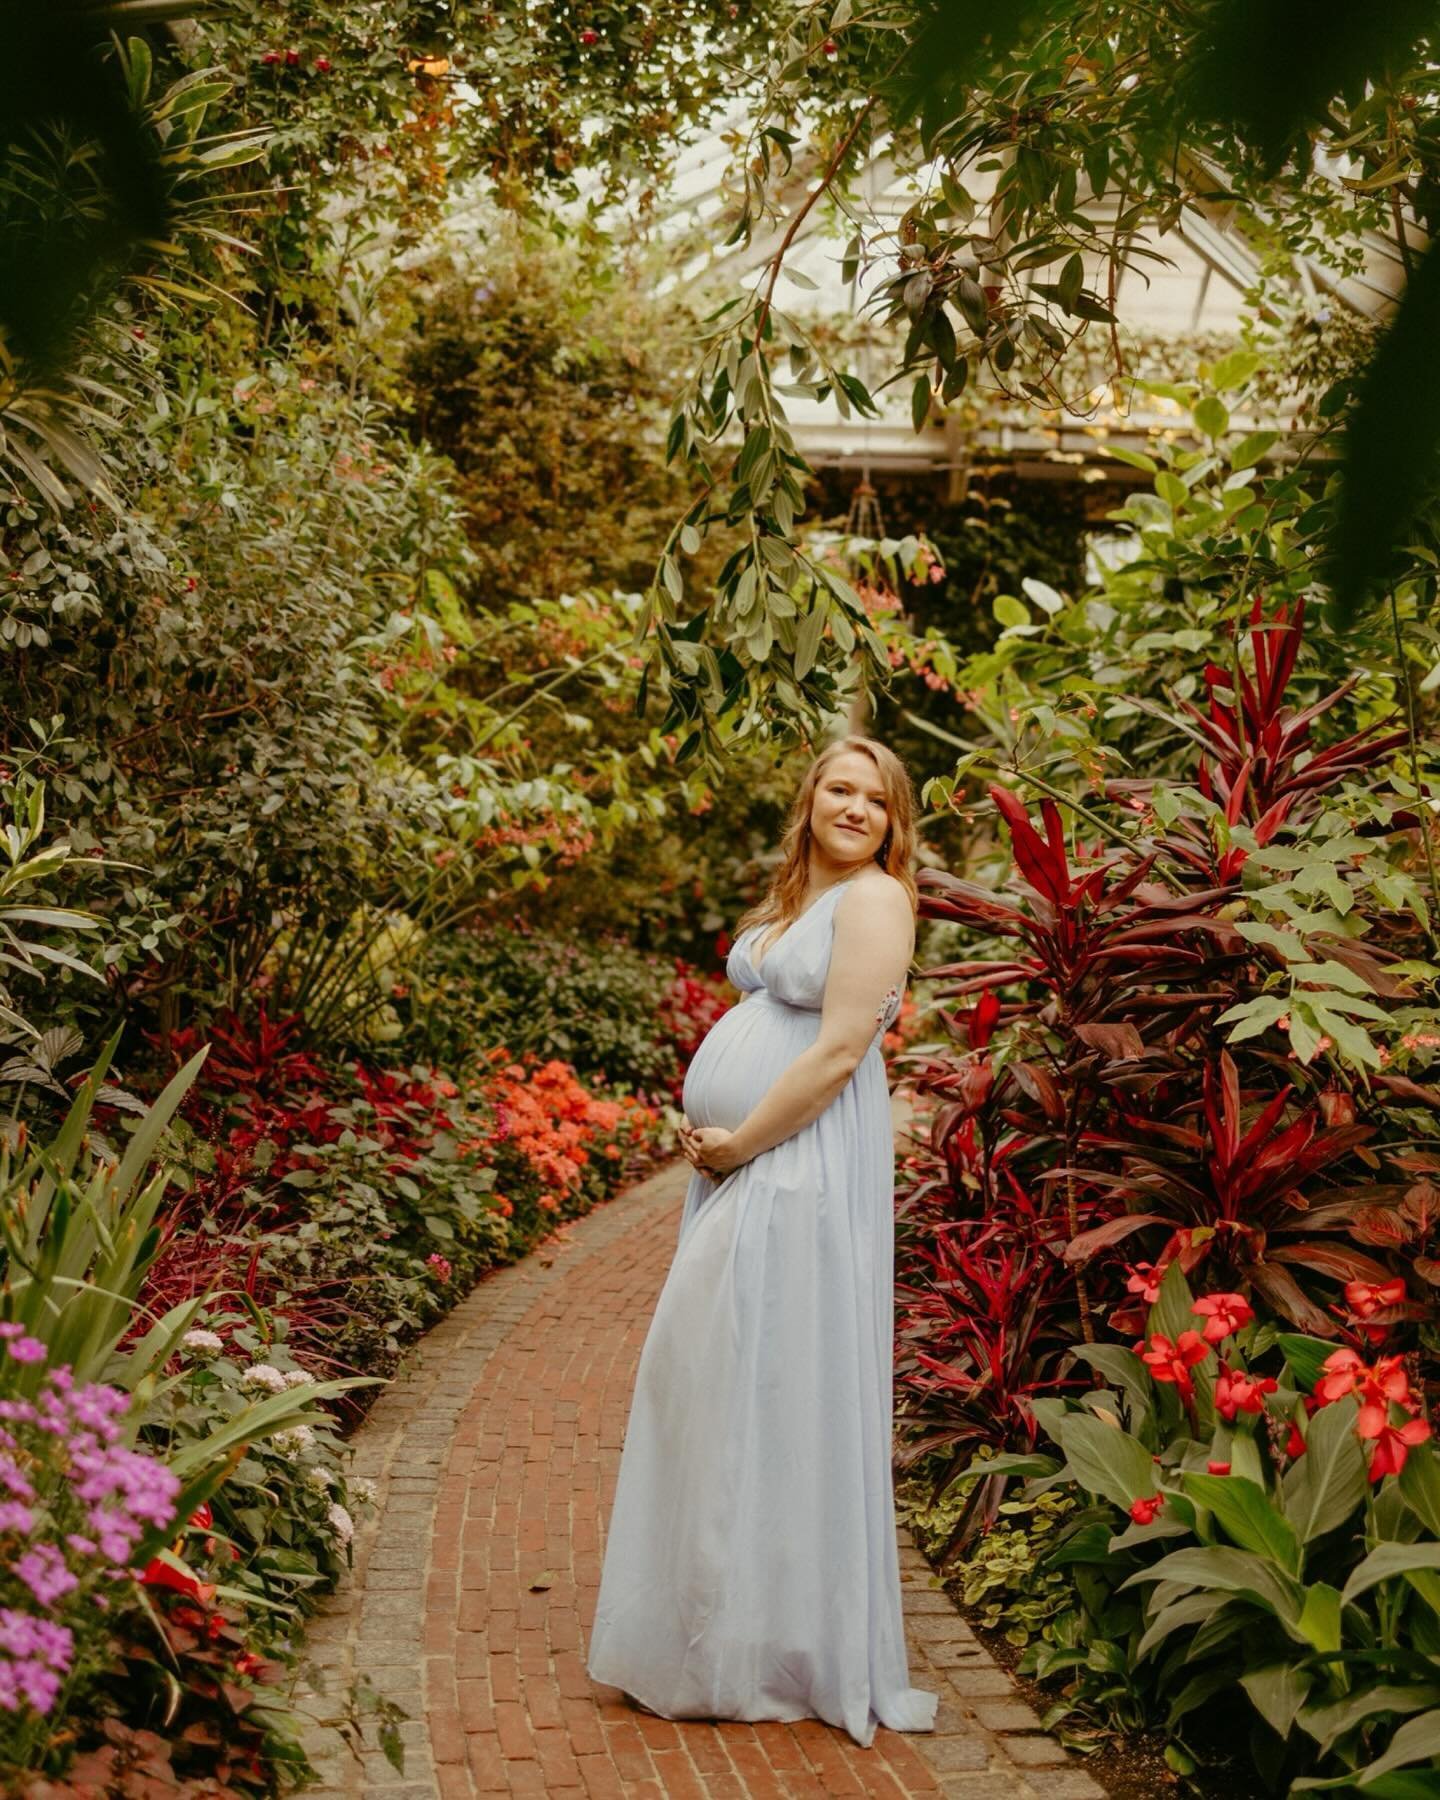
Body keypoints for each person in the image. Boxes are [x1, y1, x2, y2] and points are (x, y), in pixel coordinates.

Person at [585, 733, 939, 1749]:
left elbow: (835, 1053)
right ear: (810, 798)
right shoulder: (797, 900)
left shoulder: (875, 900)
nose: (856, 807)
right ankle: (723, 1630)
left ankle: (773, 1643)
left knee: (762, 1381)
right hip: (753, 1162)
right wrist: (715, 1130)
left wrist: (739, 1138)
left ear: (892, 820)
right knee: (726, 1386)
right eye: (841, 787)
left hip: (799, 1167)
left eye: (876, 798)